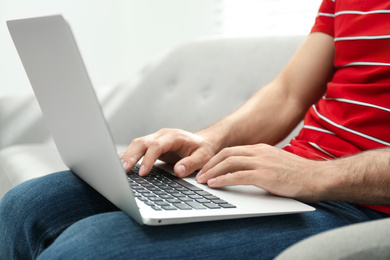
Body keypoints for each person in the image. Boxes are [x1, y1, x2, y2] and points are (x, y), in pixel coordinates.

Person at [1, 0, 390, 259]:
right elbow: (288, 93)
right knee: (25, 205)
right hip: (287, 182)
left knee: (87, 250)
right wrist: (208, 139)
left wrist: (320, 175)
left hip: (363, 205)